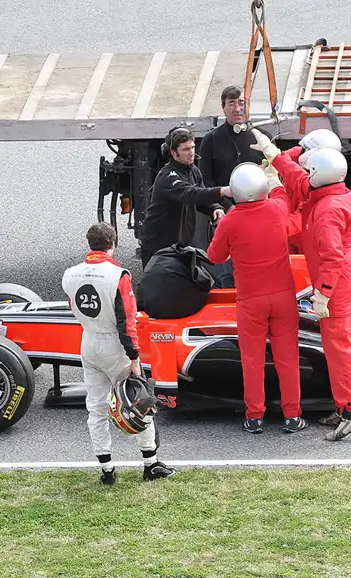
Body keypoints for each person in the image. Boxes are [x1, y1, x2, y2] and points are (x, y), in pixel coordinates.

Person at [253, 129, 351, 441]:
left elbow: (333, 258)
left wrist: (323, 294)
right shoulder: (328, 191)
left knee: (338, 350)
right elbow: (296, 177)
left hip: (335, 287)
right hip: (336, 283)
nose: (305, 173)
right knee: (334, 350)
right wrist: (274, 154)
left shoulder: (328, 211)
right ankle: (344, 407)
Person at [62, 222, 177, 484]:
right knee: (140, 401)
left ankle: (107, 470)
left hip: (88, 341)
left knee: (97, 407)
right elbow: (127, 321)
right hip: (115, 345)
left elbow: (73, 307)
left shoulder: (70, 274)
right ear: (113, 245)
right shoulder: (118, 275)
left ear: (90, 244)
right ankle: (150, 464)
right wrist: (134, 357)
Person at [207, 163, 307, 434]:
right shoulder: (276, 209)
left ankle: (255, 415)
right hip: (283, 295)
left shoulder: (230, 221)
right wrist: (274, 177)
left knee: (252, 360)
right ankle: (293, 415)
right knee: (287, 357)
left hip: (250, 298)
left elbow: (214, 257)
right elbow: (282, 195)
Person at [198, 85, 265, 286]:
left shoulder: (260, 136)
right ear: (223, 108)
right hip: (230, 214)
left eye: (241, 103)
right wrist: (226, 206)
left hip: (259, 214)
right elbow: (205, 179)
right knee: (230, 273)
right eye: (231, 103)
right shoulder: (212, 139)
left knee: (259, 268)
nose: (237, 108)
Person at [138, 127, 232, 269]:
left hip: (181, 246)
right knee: (161, 290)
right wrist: (222, 191)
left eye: (193, 147)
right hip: (159, 248)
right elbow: (190, 193)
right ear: (173, 153)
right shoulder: (167, 177)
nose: (191, 153)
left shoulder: (193, 170)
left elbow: (201, 198)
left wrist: (215, 208)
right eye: (186, 149)